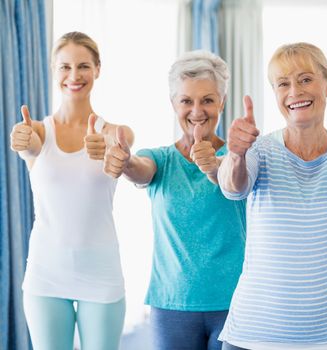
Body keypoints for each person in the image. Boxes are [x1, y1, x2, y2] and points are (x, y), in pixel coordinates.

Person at [216, 42, 327, 350]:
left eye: (305, 79)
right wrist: (237, 154)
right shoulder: (259, 149)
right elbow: (232, 188)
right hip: (255, 335)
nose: (295, 91)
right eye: (283, 83)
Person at [103, 50, 246, 350]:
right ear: (173, 104)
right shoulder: (161, 160)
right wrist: (126, 161)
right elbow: (141, 170)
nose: (197, 110)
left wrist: (214, 166)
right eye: (186, 101)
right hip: (172, 308)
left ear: (221, 101)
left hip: (236, 305)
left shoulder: (240, 159)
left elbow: (234, 176)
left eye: (207, 100)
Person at [9, 31, 134, 350]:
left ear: (98, 69)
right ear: (53, 70)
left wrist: (108, 145)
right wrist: (22, 138)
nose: (74, 76)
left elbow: (120, 143)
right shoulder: (38, 130)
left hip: (102, 277)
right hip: (46, 276)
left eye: (83, 66)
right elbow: (31, 143)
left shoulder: (114, 132)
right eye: (64, 67)